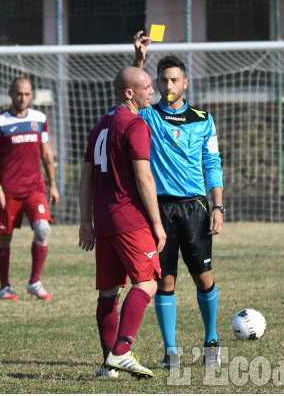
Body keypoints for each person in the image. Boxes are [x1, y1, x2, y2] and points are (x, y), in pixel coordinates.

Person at [132, 31, 225, 369]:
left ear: (185, 83)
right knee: (164, 280)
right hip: (159, 208)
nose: (168, 84)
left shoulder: (203, 120)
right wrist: (139, 60)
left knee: (203, 277)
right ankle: (171, 350)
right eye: (163, 80)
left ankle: (211, 338)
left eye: (174, 79)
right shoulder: (147, 117)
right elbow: (129, 97)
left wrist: (218, 206)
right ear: (156, 83)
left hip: (195, 207)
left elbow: (212, 164)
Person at [79, 66, 167, 379]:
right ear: (129, 93)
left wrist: (85, 220)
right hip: (129, 217)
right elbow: (143, 177)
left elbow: (86, 175)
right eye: (146, 87)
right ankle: (122, 351)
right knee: (148, 282)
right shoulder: (135, 125)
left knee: (108, 292)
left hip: (103, 220)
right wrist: (157, 223)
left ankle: (108, 364)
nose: (152, 91)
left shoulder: (100, 125)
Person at [0, 77, 60, 301]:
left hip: (34, 189)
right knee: (5, 237)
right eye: (19, 94)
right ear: (10, 94)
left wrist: (53, 186)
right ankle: (4, 287)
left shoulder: (39, 118)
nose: (23, 98)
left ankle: (35, 282)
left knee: (43, 230)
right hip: (8, 192)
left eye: (27, 94)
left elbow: (46, 154)